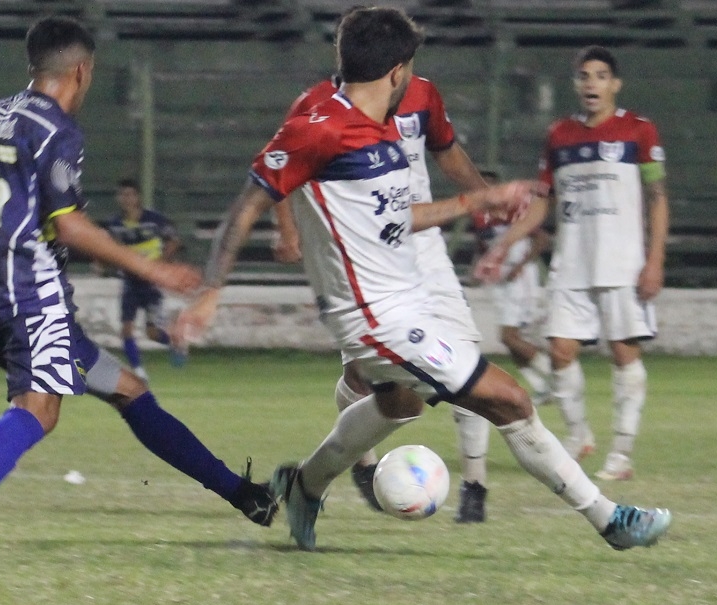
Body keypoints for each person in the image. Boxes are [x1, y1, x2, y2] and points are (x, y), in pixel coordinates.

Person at [175, 6, 671, 552]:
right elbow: (246, 205)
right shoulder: (318, 127)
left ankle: (303, 485)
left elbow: (396, 216)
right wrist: (210, 292)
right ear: (397, 72)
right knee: (509, 399)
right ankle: (611, 520)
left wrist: (480, 199)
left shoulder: (379, 133)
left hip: (405, 297)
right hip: (377, 319)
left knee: (401, 405)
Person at [0, 16, 276, 557]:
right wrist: (156, 270)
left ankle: (242, 494)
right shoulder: (56, 130)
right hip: (33, 296)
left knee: (129, 390)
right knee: (39, 410)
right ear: (82, 70)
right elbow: (71, 227)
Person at [272, 71, 495, 523]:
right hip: (364, 256)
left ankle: (475, 485)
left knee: (466, 360)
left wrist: (485, 198)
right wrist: (288, 229)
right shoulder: (317, 103)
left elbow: (448, 154)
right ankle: (360, 460)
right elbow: (279, 169)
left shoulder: (424, 93)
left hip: (424, 245)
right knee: (366, 381)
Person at [476, 45, 670, 481]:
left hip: (622, 261)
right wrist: (502, 245)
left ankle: (621, 452)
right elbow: (541, 204)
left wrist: (655, 259)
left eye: (600, 76)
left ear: (615, 84)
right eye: (584, 76)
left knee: (623, 352)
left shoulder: (639, 131)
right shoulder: (559, 135)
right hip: (572, 262)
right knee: (561, 351)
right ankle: (579, 435)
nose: (591, 84)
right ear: (576, 84)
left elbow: (657, 198)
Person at [471, 171, 554, 407]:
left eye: (490, 185)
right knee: (509, 340)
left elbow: (542, 239)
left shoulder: (514, 208)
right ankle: (544, 388)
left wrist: (520, 265)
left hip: (519, 276)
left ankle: (557, 379)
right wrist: (478, 268)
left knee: (509, 336)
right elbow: (482, 245)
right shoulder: (479, 215)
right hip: (500, 280)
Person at [100, 178, 187, 374]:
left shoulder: (153, 220)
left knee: (153, 333)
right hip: (130, 281)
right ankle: (138, 371)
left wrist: (160, 263)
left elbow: (174, 240)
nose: (126, 199)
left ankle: (175, 341)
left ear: (137, 197)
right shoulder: (115, 224)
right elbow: (109, 248)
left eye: (130, 194)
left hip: (151, 282)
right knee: (126, 329)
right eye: (122, 195)